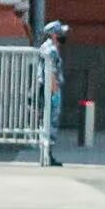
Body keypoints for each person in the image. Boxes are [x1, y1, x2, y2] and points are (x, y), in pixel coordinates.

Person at [37, 18, 68, 166]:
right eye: (61, 33)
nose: (63, 35)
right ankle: (47, 155)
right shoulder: (51, 50)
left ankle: (47, 154)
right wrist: (55, 91)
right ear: (54, 34)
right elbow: (51, 72)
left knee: (47, 122)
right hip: (51, 90)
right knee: (50, 123)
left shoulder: (47, 47)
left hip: (47, 89)